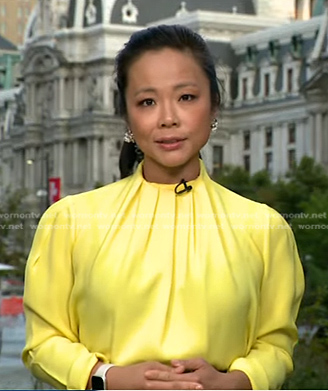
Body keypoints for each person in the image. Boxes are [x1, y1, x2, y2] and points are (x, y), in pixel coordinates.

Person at [22, 24, 304, 390]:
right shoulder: (70, 221)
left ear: (214, 105)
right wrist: (109, 378)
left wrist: (237, 382)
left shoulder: (265, 228)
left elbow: (277, 343)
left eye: (186, 97)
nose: (168, 117)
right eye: (147, 102)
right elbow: (43, 342)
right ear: (126, 116)